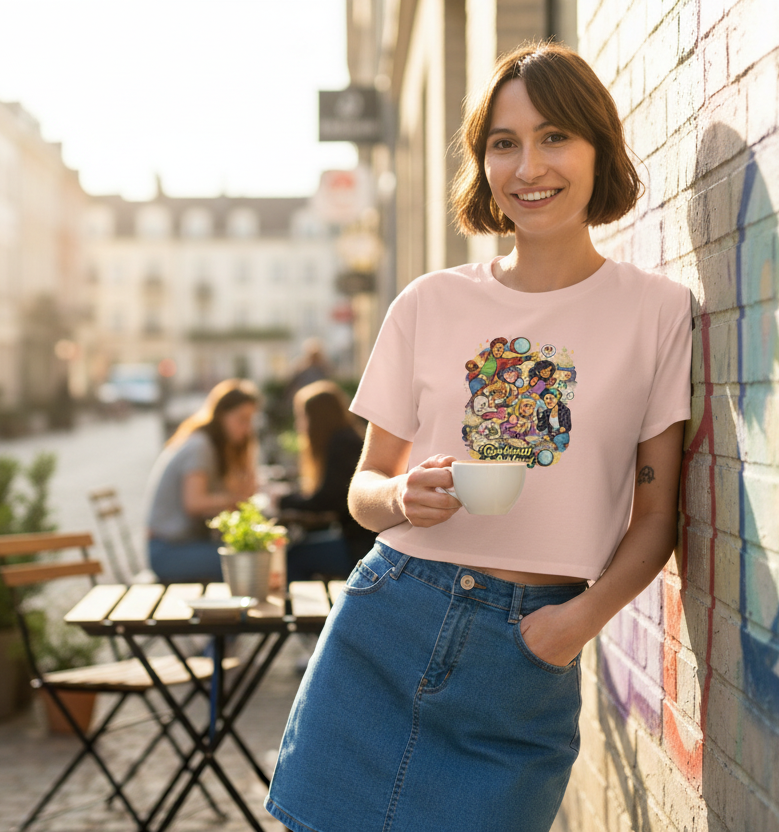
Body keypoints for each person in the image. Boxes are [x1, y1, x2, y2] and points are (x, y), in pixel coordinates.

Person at [264, 41, 692, 832]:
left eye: (555, 135)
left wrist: (579, 622)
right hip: (389, 619)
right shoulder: (428, 303)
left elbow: (658, 516)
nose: (529, 165)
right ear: (484, 164)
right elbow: (362, 492)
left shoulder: (657, 311)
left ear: (600, 147)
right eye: (504, 143)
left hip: (529, 654)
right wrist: (398, 495)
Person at [145, 379, 259, 583]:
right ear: (222, 415)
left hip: (184, 545)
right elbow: (194, 503)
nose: (247, 428)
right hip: (168, 551)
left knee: (249, 557)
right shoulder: (201, 446)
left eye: (250, 420)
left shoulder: (212, 446)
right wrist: (234, 498)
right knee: (247, 563)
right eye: (242, 419)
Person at [278, 380, 377, 582]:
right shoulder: (348, 438)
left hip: (359, 546)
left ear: (317, 417)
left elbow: (326, 500)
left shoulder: (341, 444)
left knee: (294, 557)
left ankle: (298, 612)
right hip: (360, 540)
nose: (299, 425)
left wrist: (282, 500)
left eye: (301, 417)